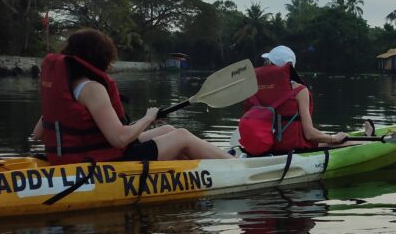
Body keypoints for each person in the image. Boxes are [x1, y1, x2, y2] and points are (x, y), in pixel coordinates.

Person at [32, 28, 233, 162]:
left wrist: (142, 125)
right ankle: (238, 166)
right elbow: (119, 140)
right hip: (103, 162)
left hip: (82, 156)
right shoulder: (92, 88)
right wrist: (148, 117)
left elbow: (39, 134)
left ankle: (205, 169)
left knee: (169, 129)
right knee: (182, 136)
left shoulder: (65, 86)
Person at [240, 45, 349, 154]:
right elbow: (309, 134)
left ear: (269, 64)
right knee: (342, 142)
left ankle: (366, 134)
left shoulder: (255, 89)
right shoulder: (299, 90)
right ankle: (365, 138)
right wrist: (333, 138)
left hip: (263, 147)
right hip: (291, 149)